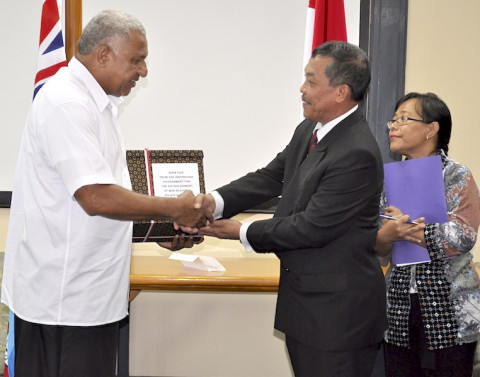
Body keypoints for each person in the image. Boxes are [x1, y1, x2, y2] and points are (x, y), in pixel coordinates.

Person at [1, 9, 212, 377]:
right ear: (103, 54)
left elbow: (96, 204)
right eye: (137, 60)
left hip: (88, 297)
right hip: (63, 303)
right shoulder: (68, 103)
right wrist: (174, 210)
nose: (143, 72)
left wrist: (157, 232)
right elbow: (95, 197)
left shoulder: (98, 106)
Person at [192, 41, 387, 377]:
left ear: (341, 92)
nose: (302, 89)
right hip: (308, 309)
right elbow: (271, 177)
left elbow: (312, 226)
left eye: (311, 82)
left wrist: (240, 231)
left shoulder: (356, 153)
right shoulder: (310, 130)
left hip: (338, 318)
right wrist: (215, 201)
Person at [376, 92, 480, 377]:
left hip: (450, 308)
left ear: (431, 129)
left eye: (404, 119)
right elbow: (379, 245)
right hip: (398, 306)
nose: (393, 127)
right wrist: (386, 235)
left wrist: (405, 229)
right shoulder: (388, 179)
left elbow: (463, 234)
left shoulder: (457, 175)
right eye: (393, 120)